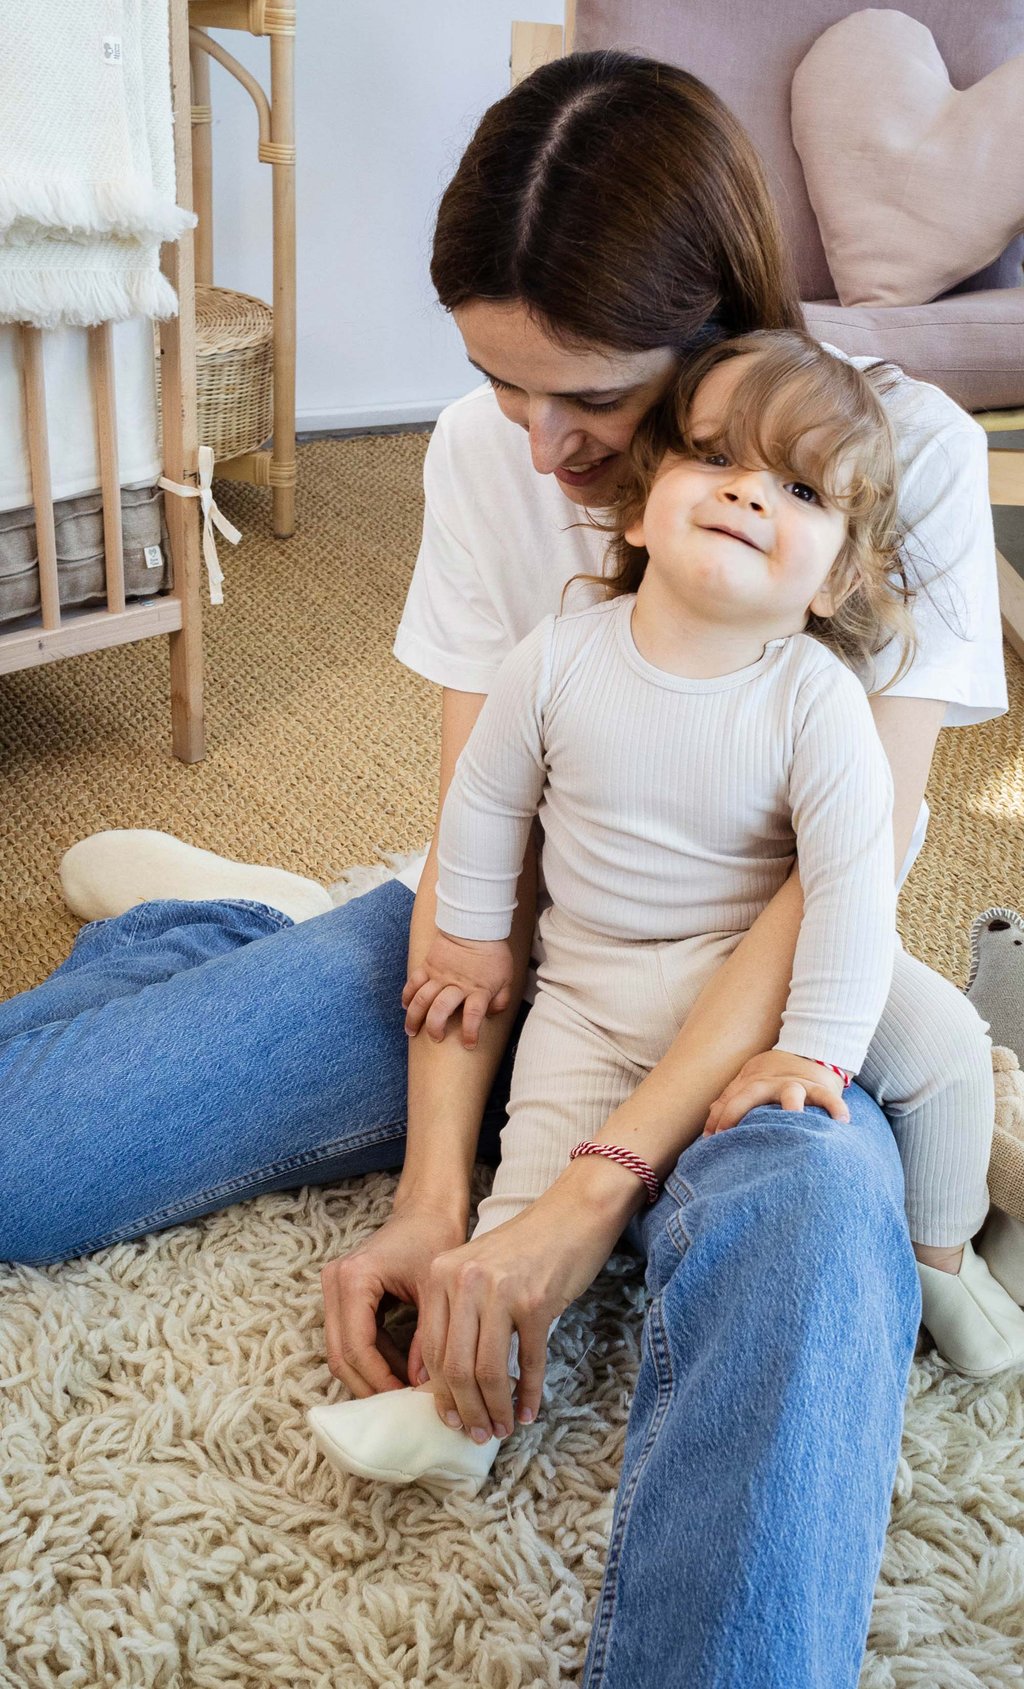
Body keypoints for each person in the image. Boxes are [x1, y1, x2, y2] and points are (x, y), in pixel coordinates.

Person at [0, 51, 1011, 1689]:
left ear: (712, 339)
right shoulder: (489, 457)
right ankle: (238, 921)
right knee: (34, 1166)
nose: (540, 446)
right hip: (527, 953)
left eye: (591, 399)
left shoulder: (880, 471)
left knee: (823, 1228)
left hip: (772, 1016)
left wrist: (569, 1204)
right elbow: (492, 851)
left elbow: (833, 889)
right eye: (497, 381)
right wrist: (431, 1193)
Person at [305, 330, 1024, 1495]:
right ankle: (452, 1415)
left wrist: (814, 1050)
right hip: (587, 990)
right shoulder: (560, 655)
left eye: (797, 488)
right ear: (638, 512)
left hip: (766, 988)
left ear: (837, 575)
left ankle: (939, 1256)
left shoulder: (818, 702)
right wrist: (469, 936)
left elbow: (847, 893)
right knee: (518, 1212)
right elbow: (485, 804)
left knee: (945, 1056)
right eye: (715, 459)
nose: (749, 490)